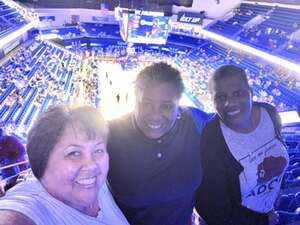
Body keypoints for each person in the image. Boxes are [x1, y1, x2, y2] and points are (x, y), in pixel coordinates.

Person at [107, 62, 210, 225]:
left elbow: (233, 118)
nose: (155, 115)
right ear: (134, 100)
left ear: (179, 105)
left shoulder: (195, 122)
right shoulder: (109, 134)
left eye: (166, 106)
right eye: (146, 103)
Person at [0, 104, 129, 225]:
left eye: (98, 150)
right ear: (42, 160)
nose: (92, 166)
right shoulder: (33, 204)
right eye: (74, 153)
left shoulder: (100, 184)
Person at [195, 64, 289, 225]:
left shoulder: (270, 114)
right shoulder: (210, 141)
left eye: (238, 93)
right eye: (221, 97)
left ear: (251, 93)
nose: (230, 103)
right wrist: (263, 220)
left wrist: (277, 193)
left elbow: (279, 153)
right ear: (212, 101)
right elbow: (214, 210)